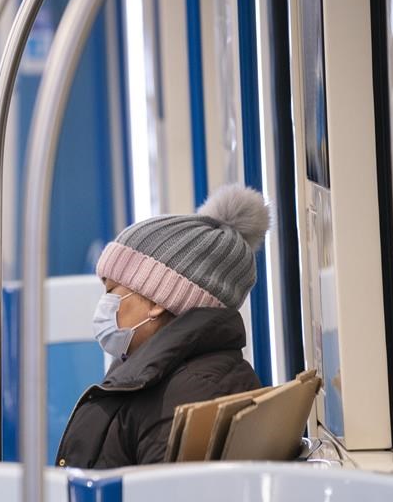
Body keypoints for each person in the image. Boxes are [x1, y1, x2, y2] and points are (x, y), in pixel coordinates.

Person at [55, 184, 267, 469]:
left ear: (157, 300)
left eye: (112, 290)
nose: (104, 303)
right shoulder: (154, 374)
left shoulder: (188, 395)